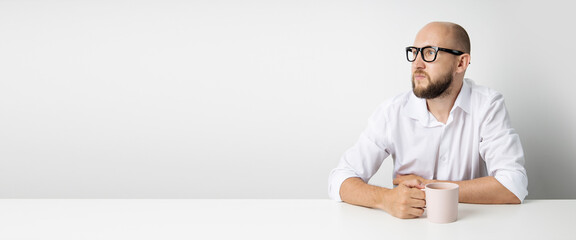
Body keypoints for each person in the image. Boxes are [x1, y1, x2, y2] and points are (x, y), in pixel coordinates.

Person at [328, 21, 528, 219]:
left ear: (461, 63)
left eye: (430, 53)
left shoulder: (487, 105)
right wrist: (386, 198)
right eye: (414, 52)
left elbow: (513, 185)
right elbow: (340, 179)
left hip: (470, 226)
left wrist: (429, 187)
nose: (417, 64)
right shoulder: (392, 111)